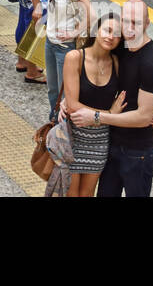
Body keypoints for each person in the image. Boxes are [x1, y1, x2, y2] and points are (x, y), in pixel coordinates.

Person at [71, 0, 153, 198]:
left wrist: (98, 117)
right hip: (113, 144)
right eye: (125, 21)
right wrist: (69, 98)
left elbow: (143, 117)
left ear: (147, 24)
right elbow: (91, 62)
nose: (129, 28)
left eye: (136, 23)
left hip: (139, 151)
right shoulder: (121, 47)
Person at [60, 11, 125, 197]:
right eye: (108, 30)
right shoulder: (75, 57)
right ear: (97, 30)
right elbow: (72, 105)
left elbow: (132, 93)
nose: (111, 37)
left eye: (117, 34)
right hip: (73, 137)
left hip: (99, 140)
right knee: (71, 193)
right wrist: (108, 114)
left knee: (87, 194)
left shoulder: (117, 63)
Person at [43, 0, 92, 122]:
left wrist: (74, 32)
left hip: (66, 47)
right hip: (50, 42)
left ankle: (65, 127)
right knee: (52, 89)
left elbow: (90, 13)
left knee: (65, 92)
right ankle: (55, 121)